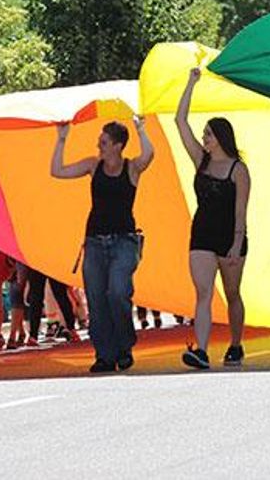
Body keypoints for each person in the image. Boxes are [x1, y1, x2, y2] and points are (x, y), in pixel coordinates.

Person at [51, 116, 154, 373]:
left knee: (118, 292)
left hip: (124, 242)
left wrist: (141, 129)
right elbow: (57, 171)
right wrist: (61, 139)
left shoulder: (131, 168)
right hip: (95, 242)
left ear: (118, 145)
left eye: (104, 141)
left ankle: (124, 347)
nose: (99, 144)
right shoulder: (93, 166)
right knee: (96, 299)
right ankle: (105, 355)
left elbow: (149, 154)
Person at [175, 68, 252, 369]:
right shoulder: (200, 160)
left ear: (220, 137)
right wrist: (190, 83)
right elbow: (180, 122)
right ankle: (202, 351)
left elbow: (241, 210)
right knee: (204, 292)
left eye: (207, 133)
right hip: (202, 236)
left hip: (230, 238)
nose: (203, 137)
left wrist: (236, 244)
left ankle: (235, 344)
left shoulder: (238, 169)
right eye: (204, 134)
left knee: (232, 293)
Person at [25, 268, 80, 346]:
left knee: (59, 295)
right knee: (58, 295)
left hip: (42, 263)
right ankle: (33, 335)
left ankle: (71, 329)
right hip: (40, 263)